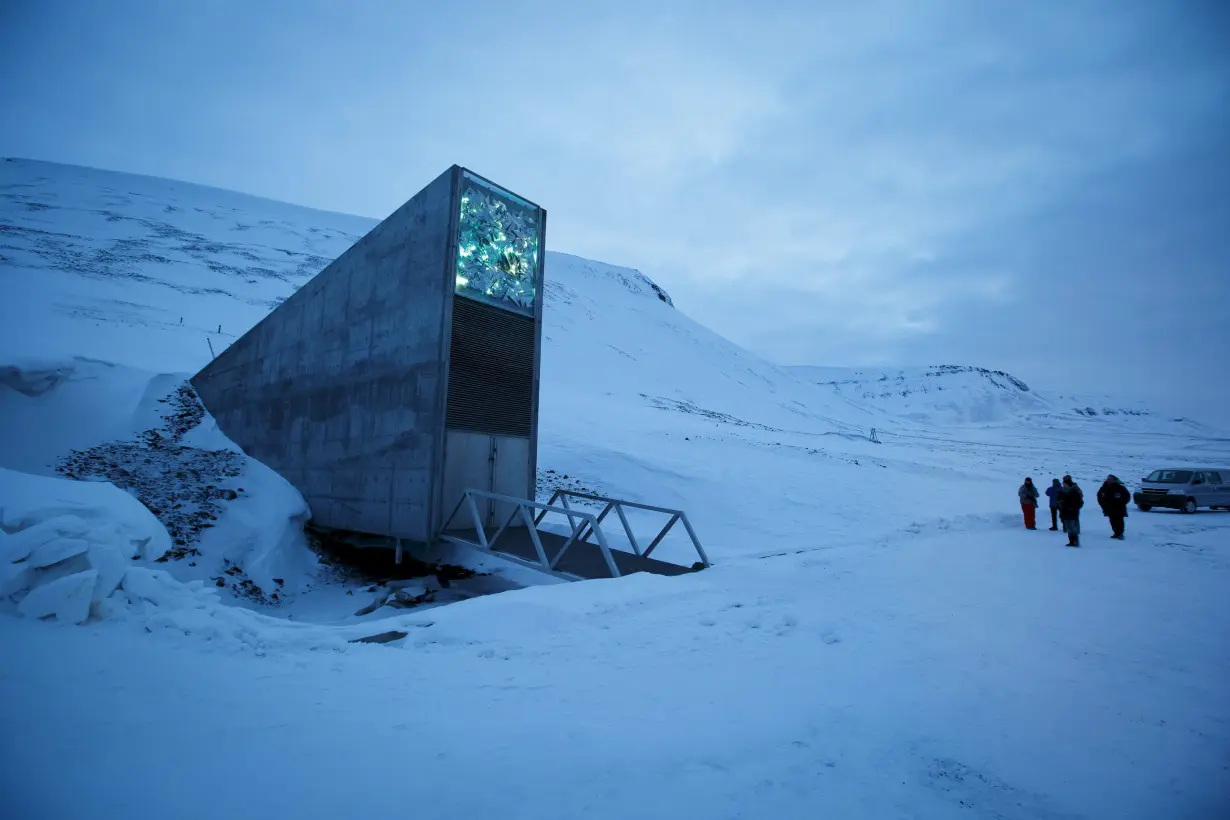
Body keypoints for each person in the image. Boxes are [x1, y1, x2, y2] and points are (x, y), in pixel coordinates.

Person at [1097, 474, 1131, 540]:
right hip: (1109, 508)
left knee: (1119, 520)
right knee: (1112, 520)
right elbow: (1099, 495)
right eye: (1108, 479)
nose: (1108, 480)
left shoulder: (1120, 488)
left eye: (1110, 479)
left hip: (1119, 508)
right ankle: (1116, 533)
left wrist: (1122, 503)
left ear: (1114, 480)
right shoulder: (1104, 487)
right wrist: (1102, 504)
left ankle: (1120, 533)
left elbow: (1127, 496)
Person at [1058, 474, 1084, 547]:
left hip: (1072, 511)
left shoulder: (1074, 491)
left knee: (1072, 527)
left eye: (1065, 484)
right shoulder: (1062, 491)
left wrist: (1073, 507)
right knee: (1068, 527)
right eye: (1063, 484)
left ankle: (1075, 541)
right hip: (1064, 511)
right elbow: (1059, 499)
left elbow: (1078, 502)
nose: (1064, 485)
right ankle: (1071, 541)